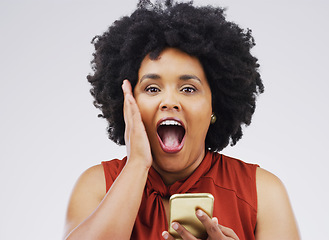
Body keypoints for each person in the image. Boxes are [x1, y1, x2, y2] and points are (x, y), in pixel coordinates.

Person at [64, 0, 300, 239]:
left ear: (214, 106)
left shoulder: (263, 193)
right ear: (128, 103)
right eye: (152, 88)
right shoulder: (97, 186)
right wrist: (136, 165)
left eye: (188, 89)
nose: (170, 101)